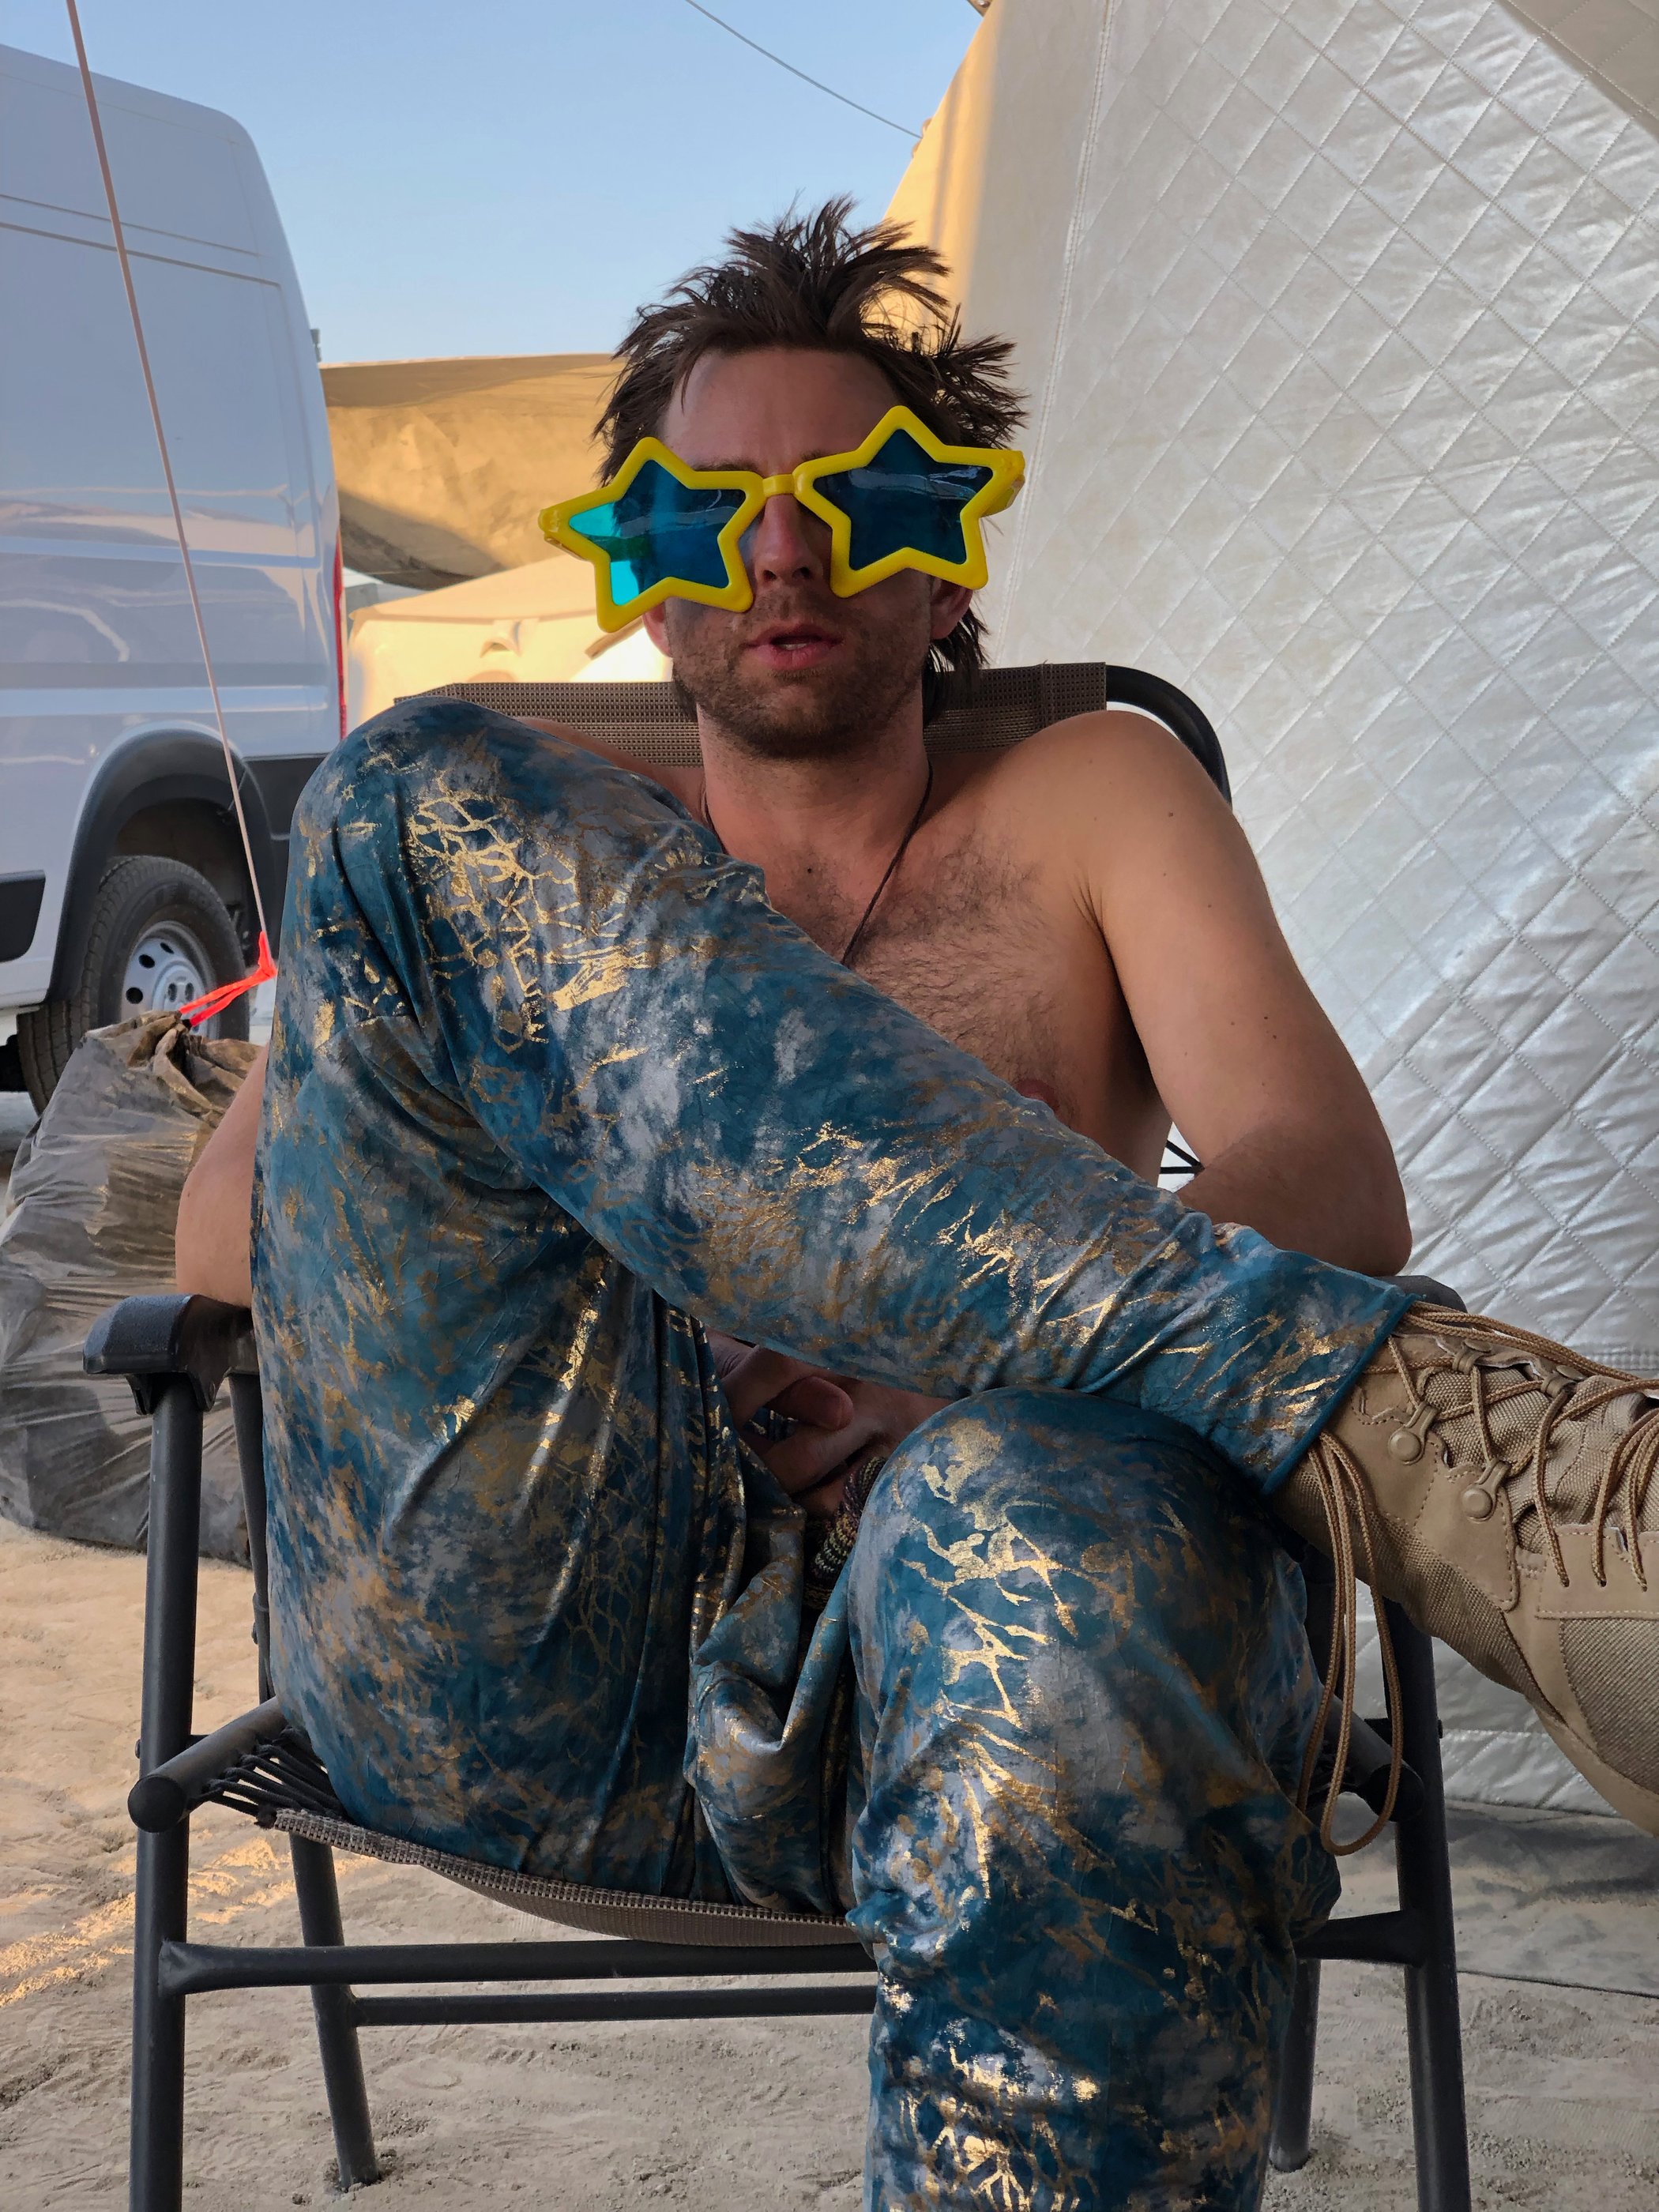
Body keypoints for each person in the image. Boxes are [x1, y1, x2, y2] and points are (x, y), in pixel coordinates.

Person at [178, 205, 1657, 2210]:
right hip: (548, 1645)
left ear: (951, 551)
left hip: (992, 1627)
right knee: (399, 782)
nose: (786, 554)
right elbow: (224, 1245)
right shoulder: (522, 866)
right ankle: (1456, 1455)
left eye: (860, 497)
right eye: (713, 514)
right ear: (641, 575)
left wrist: (945, 1348)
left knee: (1052, 1508)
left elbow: (1325, 1166)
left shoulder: (1092, 793)